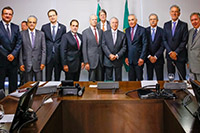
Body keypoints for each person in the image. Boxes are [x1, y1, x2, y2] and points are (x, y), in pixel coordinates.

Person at [0, 6, 22, 93]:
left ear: (12, 16)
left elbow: (19, 42)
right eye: (6, 14)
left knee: (13, 86)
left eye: (10, 14)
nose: (8, 16)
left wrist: (13, 54)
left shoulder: (16, 27)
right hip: (1, 61)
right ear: (2, 15)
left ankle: (12, 105)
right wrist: (7, 55)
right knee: (0, 86)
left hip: (13, 62)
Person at [163, 5, 188, 80]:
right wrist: (170, 52)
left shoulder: (184, 25)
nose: (174, 13)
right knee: (171, 78)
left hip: (180, 56)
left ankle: (183, 91)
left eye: (176, 12)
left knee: (182, 77)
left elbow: (184, 40)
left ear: (179, 13)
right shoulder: (166, 25)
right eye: (172, 11)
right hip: (169, 56)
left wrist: (176, 52)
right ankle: (172, 92)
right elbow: (164, 40)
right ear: (170, 13)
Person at [41, 9, 66, 81]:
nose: (52, 17)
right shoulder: (44, 27)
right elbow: (43, 42)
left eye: (53, 15)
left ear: (57, 16)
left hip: (58, 56)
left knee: (57, 78)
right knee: (48, 77)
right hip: (48, 56)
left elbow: (63, 42)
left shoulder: (63, 28)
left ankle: (57, 91)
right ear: (48, 17)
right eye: (50, 16)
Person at [19, 15, 46, 82]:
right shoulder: (21, 34)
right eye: (30, 22)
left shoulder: (41, 34)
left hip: (38, 63)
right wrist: (21, 63)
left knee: (39, 85)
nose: (32, 24)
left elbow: (44, 49)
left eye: (34, 22)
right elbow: (20, 50)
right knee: (28, 85)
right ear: (27, 23)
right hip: (26, 64)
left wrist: (43, 62)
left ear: (36, 24)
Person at [125, 14, 147, 81]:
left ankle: (141, 92)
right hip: (130, 60)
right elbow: (126, 45)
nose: (131, 22)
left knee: (140, 79)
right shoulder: (127, 30)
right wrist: (126, 57)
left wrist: (142, 58)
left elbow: (145, 44)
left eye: (132, 19)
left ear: (136, 20)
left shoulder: (142, 30)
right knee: (131, 80)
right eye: (129, 20)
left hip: (139, 59)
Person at [82, 14, 104, 81]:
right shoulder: (85, 32)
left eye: (95, 19)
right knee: (92, 82)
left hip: (100, 60)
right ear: (89, 21)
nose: (94, 21)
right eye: (93, 19)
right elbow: (84, 48)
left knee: (100, 81)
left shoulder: (101, 31)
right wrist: (86, 62)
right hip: (91, 61)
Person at [146, 13, 165, 80]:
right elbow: (144, 45)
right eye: (151, 19)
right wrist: (149, 56)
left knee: (160, 79)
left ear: (157, 20)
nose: (152, 21)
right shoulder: (145, 31)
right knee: (149, 78)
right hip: (149, 59)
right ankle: (150, 91)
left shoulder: (162, 31)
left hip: (159, 59)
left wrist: (156, 56)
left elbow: (163, 45)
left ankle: (160, 91)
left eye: (154, 19)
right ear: (149, 21)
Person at [187, 12, 200, 81]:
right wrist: (188, 62)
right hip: (191, 67)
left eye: (196, 19)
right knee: (193, 87)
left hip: (199, 66)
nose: (194, 22)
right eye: (192, 20)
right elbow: (189, 48)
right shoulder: (190, 32)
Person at [18, 20, 28, 87]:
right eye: (21, 26)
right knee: (22, 74)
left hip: (30, 59)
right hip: (22, 58)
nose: (22, 27)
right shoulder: (20, 34)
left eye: (24, 26)